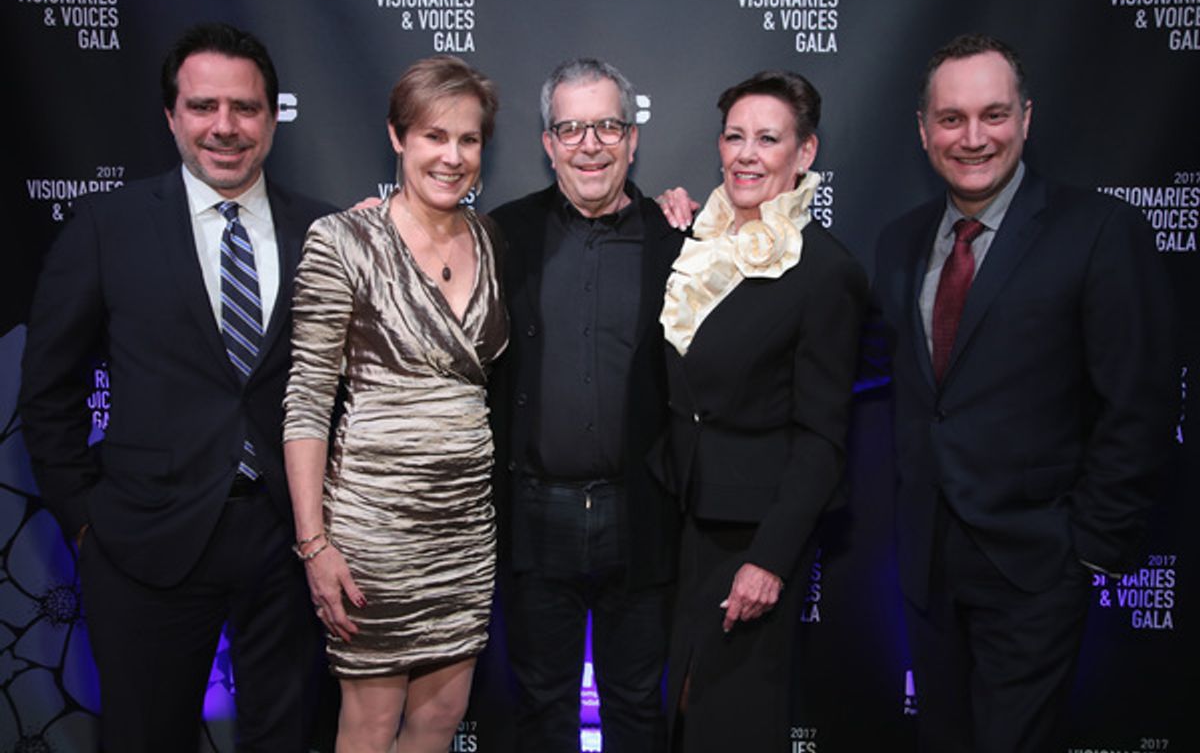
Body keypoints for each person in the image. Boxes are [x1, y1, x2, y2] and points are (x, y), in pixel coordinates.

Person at [18, 22, 334, 752]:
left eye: (245, 108)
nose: (225, 127)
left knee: (286, 739)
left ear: (274, 116)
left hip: (291, 545)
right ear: (171, 116)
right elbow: (48, 388)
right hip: (144, 545)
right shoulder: (108, 225)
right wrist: (86, 524)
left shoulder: (323, 230)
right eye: (203, 107)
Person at [873, 33, 1176, 752]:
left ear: (1027, 118)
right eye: (951, 119)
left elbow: (1141, 401)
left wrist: (1089, 552)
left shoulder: (1099, 232)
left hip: (1036, 568)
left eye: (994, 114)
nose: (973, 137)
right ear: (923, 130)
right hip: (926, 565)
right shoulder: (899, 241)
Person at [282, 54, 507, 753]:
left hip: (465, 529)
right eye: (433, 136)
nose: (452, 156)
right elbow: (308, 399)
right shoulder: (342, 241)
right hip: (374, 531)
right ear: (397, 137)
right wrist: (314, 542)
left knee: (440, 720)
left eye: (468, 139)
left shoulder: (491, 238)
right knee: (371, 723)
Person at [654, 70, 868, 752]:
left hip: (749, 539)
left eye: (768, 139)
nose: (746, 154)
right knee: (677, 717)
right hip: (676, 523)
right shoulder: (693, 243)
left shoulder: (826, 271)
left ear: (804, 154)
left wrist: (771, 558)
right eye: (734, 136)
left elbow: (823, 436)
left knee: (730, 722)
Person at [487, 58, 682, 752]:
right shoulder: (500, 235)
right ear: (547, 143)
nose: (589, 144)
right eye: (571, 128)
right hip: (537, 512)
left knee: (636, 703)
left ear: (633, 138)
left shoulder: (680, 239)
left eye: (606, 126)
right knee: (541, 705)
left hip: (643, 510)